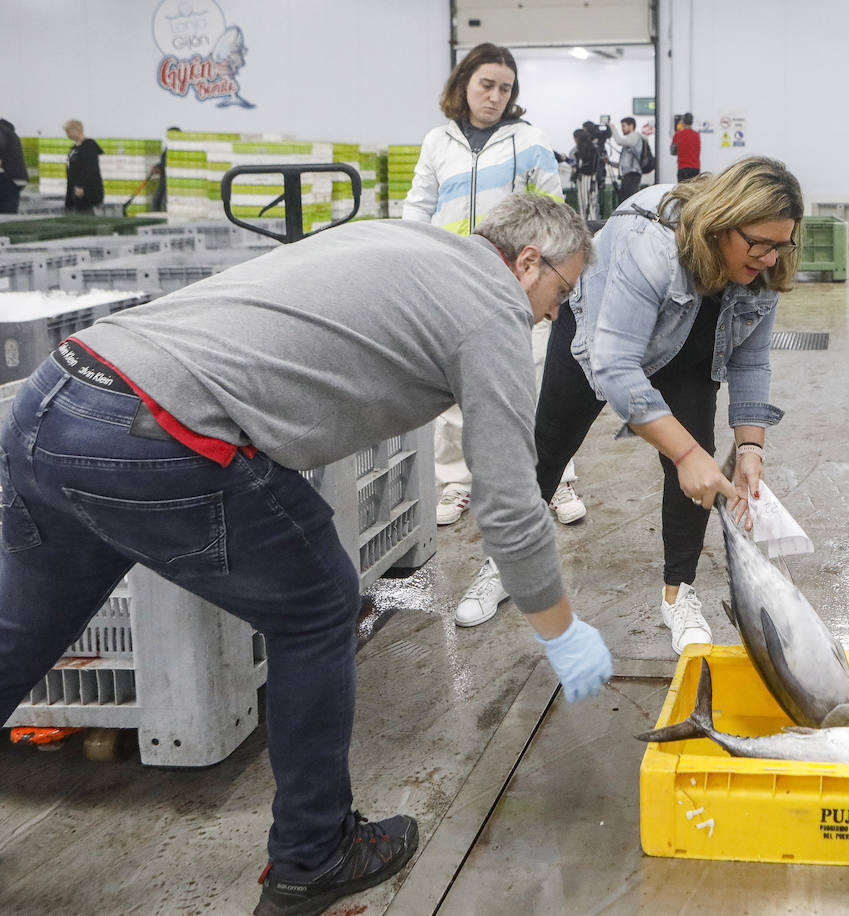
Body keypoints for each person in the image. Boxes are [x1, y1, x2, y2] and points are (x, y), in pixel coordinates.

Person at [0, 193, 612, 916]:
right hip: (155, 433)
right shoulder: (491, 308)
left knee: (21, 633)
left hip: (57, 398)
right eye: (559, 292)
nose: (550, 313)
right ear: (527, 261)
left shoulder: (405, 243)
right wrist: (562, 631)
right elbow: (510, 503)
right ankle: (313, 856)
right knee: (322, 607)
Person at [466, 156, 803, 654]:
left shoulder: (764, 265)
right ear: (721, 225)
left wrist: (751, 446)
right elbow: (615, 365)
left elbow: (751, 361)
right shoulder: (649, 244)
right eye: (759, 244)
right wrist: (685, 455)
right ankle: (504, 561)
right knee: (549, 446)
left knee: (698, 458)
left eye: (782, 245)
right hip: (601, 336)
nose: (770, 258)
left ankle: (678, 593)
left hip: (689, 344)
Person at [404, 42, 588, 555]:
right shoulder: (437, 141)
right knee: (454, 384)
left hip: (517, 280)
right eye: (487, 84)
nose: (495, 96)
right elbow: (419, 204)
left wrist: (553, 276)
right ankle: (456, 481)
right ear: (464, 83)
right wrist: (412, 256)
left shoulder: (529, 142)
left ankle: (557, 478)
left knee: (534, 378)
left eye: (505, 88)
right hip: (451, 275)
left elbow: (554, 212)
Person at [63, 119, 104, 213]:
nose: (67, 135)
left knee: (85, 214)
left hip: (87, 190)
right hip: (73, 189)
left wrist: (80, 185)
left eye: (68, 132)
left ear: (76, 130)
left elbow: (90, 167)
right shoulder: (74, 148)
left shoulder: (89, 145)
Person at [611, 116, 650, 202]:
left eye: (624, 126)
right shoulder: (629, 141)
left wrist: (612, 128)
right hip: (628, 175)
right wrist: (609, 162)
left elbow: (619, 141)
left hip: (632, 175)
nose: (622, 129)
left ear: (631, 126)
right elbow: (624, 164)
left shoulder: (634, 136)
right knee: (625, 201)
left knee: (629, 201)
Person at [0, 117, 28, 214]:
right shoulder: (11, 133)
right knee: (9, 210)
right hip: (18, 178)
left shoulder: (1, 130)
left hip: (9, 177)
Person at [671, 112, 701, 182]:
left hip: (683, 168)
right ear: (692, 122)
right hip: (695, 168)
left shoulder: (678, 134)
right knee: (694, 190)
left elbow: (672, 151)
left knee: (682, 191)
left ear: (682, 122)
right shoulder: (696, 135)